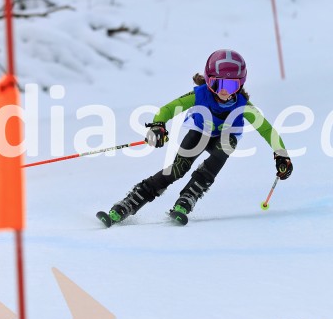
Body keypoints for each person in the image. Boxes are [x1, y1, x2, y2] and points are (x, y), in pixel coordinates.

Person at [100, 49, 293, 226]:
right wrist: (158, 126)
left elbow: (267, 130)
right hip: (200, 132)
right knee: (177, 169)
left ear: (240, 84)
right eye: (218, 83)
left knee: (222, 151)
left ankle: (188, 197)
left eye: (231, 84)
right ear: (209, 80)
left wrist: (281, 154)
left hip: (226, 136)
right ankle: (131, 202)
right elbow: (167, 109)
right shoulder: (200, 95)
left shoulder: (243, 105)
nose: (224, 91)